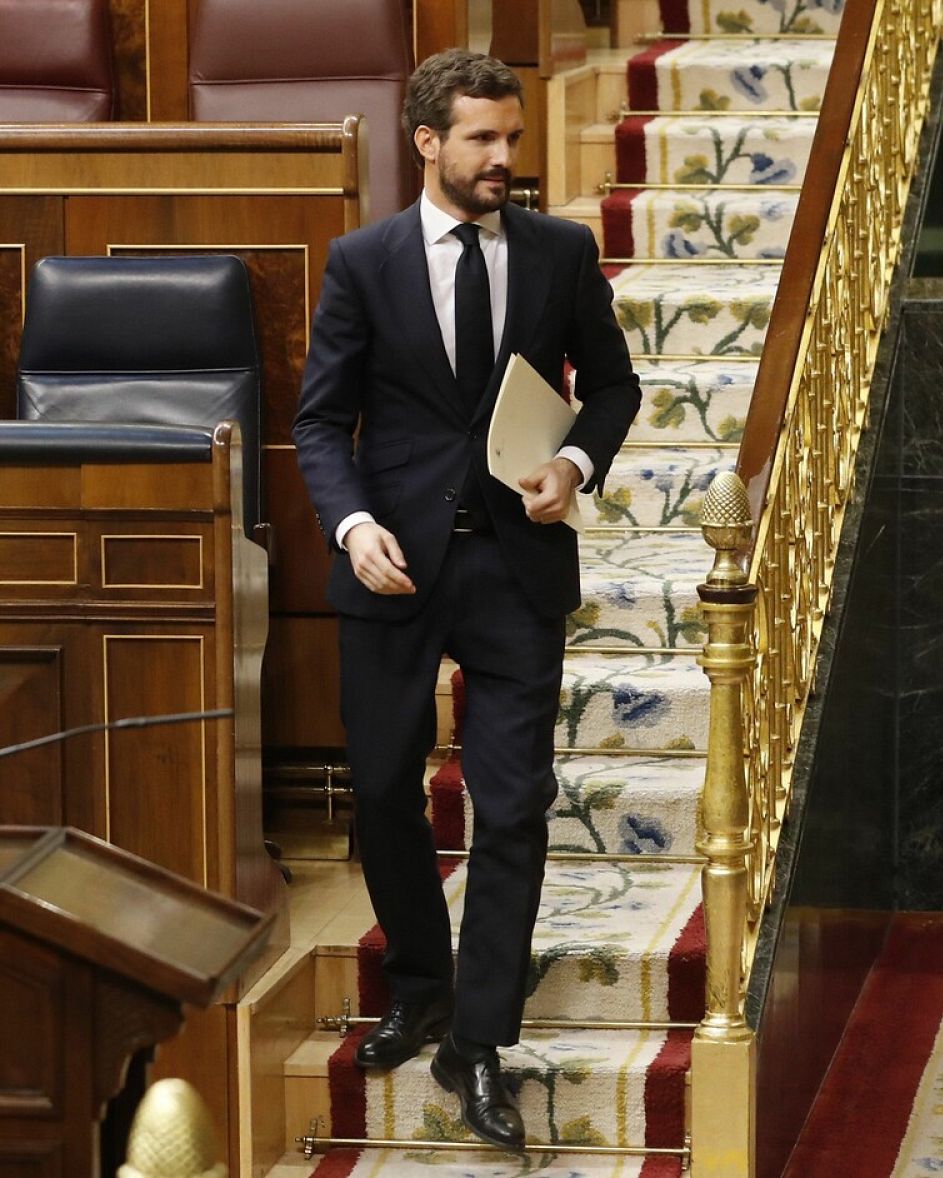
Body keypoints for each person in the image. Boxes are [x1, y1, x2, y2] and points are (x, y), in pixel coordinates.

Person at [293, 48, 640, 1148]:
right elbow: (319, 420)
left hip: (513, 569)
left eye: (514, 138)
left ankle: (476, 1037)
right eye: (482, 139)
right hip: (392, 566)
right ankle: (419, 979)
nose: (505, 159)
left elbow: (614, 385)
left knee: (514, 801)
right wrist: (352, 527)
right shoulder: (361, 260)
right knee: (387, 787)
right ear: (429, 142)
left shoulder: (559, 252)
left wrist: (574, 467)